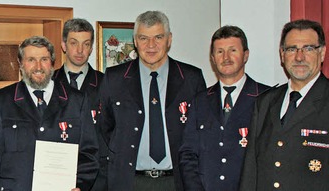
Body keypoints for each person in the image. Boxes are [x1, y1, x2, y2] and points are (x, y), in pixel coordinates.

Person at [98, 11, 206, 190]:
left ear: (169, 39)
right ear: (135, 41)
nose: (151, 45)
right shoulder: (114, 79)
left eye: (158, 37)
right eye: (143, 38)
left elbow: (201, 134)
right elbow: (105, 129)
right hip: (131, 181)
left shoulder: (191, 78)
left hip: (177, 182)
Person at [0, 36, 98, 191]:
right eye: (31, 60)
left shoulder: (76, 100)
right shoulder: (1, 100)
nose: (38, 66)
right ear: (21, 64)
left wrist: (80, 185)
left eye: (44, 59)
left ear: (52, 63)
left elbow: (89, 152)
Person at [240, 19, 329, 190]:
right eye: (291, 49)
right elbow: (251, 170)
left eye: (308, 48)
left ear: (322, 53)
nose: (299, 57)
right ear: (282, 54)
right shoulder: (265, 102)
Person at [179, 25, 269, 191]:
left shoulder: (266, 98)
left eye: (233, 50)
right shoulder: (200, 100)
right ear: (212, 58)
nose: (226, 57)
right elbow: (188, 154)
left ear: (246, 55)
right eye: (220, 52)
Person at [52, 18, 107, 191]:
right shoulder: (48, 84)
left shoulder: (107, 84)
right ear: (63, 45)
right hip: (55, 174)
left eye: (86, 44)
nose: (80, 50)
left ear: (91, 48)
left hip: (99, 177)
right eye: (74, 43)